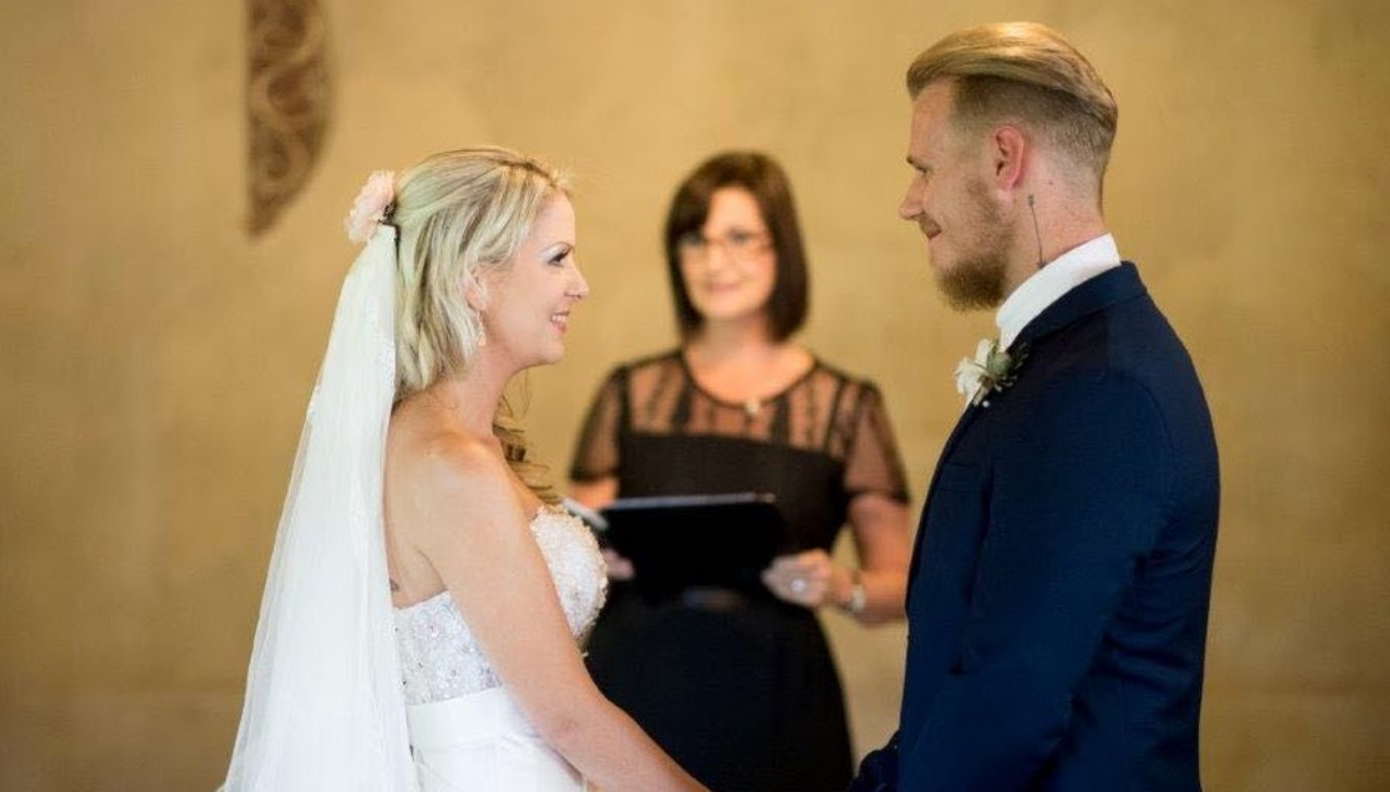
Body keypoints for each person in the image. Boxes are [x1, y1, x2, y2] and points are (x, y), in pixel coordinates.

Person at [221, 147, 708, 792]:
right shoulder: (452, 465)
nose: (580, 284)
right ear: (475, 280)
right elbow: (568, 718)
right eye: (557, 258)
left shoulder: (431, 440)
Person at [850, 22, 1221, 792]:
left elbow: (1008, 704)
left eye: (923, 169)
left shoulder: (1102, 387)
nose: (909, 203)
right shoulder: (1073, 358)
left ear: (1003, 159)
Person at [568, 151, 914, 792]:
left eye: (739, 239)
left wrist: (837, 585)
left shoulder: (846, 407)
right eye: (695, 240)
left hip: (776, 693)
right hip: (639, 681)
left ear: (782, 248)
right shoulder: (630, 392)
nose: (713, 262)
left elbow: (902, 585)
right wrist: (594, 559)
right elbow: (575, 542)